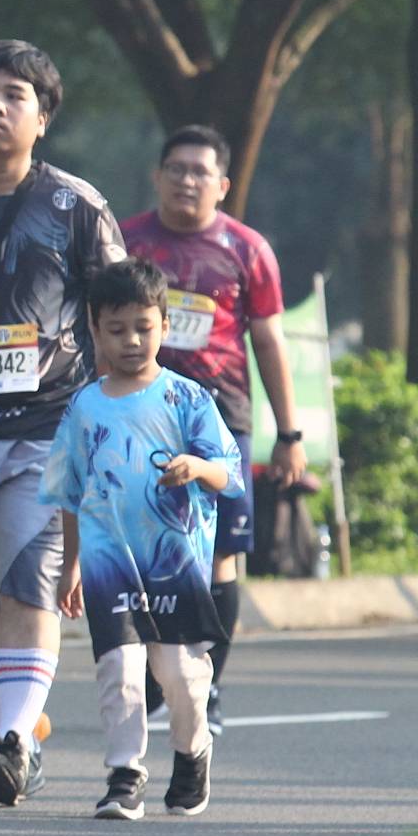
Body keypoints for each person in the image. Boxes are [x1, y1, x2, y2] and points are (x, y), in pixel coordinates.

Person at [0, 41, 125, 805]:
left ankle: (12, 740)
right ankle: (12, 737)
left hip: (46, 430)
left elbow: (119, 316)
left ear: (43, 118)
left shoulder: (76, 208)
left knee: (29, 585)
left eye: (15, 95)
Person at [121, 125, 308, 734]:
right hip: (140, 417)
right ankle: (158, 687)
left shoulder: (247, 249)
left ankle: (209, 686)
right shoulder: (126, 241)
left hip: (221, 423)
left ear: (222, 185)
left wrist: (289, 435)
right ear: (157, 176)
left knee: (220, 557)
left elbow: (269, 341)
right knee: (146, 557)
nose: (187, 181)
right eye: (176, 169)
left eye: (200, 172)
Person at [45, 258, 242, 819]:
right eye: (116, 329)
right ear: (95, 329)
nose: (131, 341)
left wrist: (196, 467)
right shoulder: (84, 407)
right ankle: (124, 773)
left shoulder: (188, 399)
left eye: (143, 327)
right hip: (109, 562)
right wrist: (71, 564)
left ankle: (193, 751)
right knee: (119, 670)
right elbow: (69, 491)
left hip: (175, 562)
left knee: (179, 673)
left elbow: (229, 473)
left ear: (164, 324)